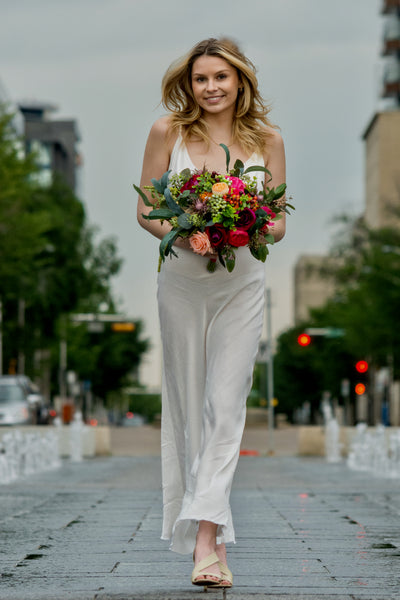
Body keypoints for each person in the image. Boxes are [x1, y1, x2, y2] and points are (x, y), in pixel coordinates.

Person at [137, 37, 286, 589]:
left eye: (222, 77)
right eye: (202, 78)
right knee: (187, 404)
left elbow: (277, 223)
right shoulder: (166, 134)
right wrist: (187, 231)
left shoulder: (268, 140)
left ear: (240, 81)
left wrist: (238, 225)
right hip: (180, 284)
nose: (212, 87)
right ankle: (212, 539)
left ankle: (205, 540)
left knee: (225, 406)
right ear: (189, 84)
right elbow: (147, 210)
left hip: (241, 285)